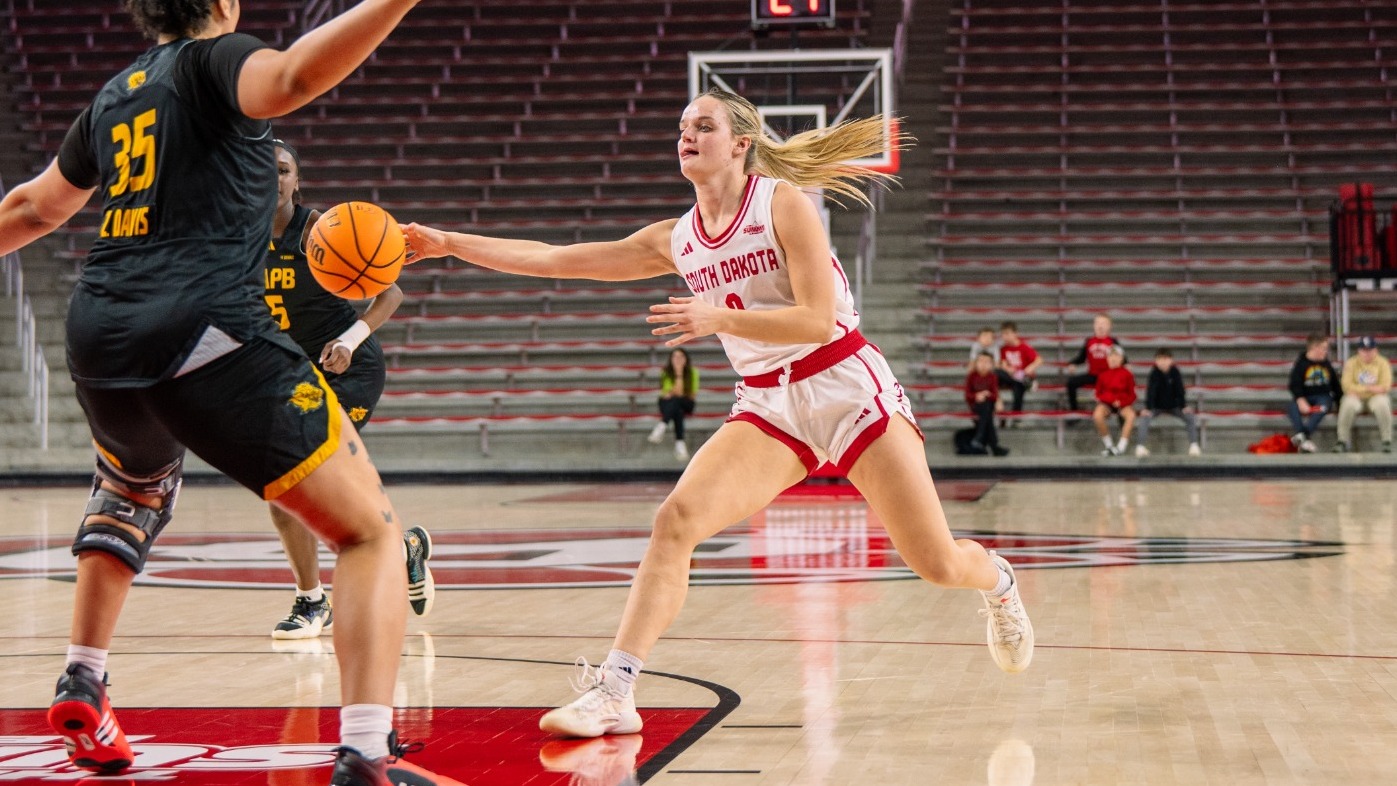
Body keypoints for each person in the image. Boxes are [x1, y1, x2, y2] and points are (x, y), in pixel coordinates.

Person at [403, 88, 1035, 740]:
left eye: (703, 125)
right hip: (768, 404)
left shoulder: (782, 204)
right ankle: (615, 692)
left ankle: (998, 581)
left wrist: (719, 318)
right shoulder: (676, 238)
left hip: (846, 386)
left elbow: (817, 321)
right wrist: (448, 242)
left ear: (739, 144)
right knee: (674, 521)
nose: (687, 134)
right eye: (683, 126)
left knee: (935, 563)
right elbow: (555, 258)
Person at [0, 1, 450, 782]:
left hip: (99, 331)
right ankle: (367, 754)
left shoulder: (114, 95)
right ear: (224, 4)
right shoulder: (213, 62)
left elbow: (32, 207)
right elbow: (295, 76)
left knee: (132, 491)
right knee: (369, 534)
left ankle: (83, 678)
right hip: (203, 325)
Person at [264, 139, 434, 639]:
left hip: (347, 368)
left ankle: (312, 602)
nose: (272, 178)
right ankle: (401, 549)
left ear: (297, 181)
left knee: (296, 477)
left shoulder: (318, 229)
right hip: (292, 376)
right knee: (289, 488)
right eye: (261, 168)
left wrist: (349, 338)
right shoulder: (234, 237)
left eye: (283, 170)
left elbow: (391, 292)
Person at [1134, 348, 1202, 457]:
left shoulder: (1175, 372)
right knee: (1144, 418)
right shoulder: (1154, 374)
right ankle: (1140, 446)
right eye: (1160, 359)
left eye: (1165, 359)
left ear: (1171, 360)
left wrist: (1183, 406)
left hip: (1174, 406)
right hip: (1157, 407)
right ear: (1156, 361)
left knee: (1190, 416)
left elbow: (1180, 390)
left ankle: (1194, 445)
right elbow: (1150, 392)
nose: (1163, 362)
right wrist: (1148, 408)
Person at [1334, 335, 1393, 453]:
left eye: (1370, 350)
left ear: (1376, 350)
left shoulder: (1383, 363)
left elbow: (1385, 387)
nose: (1367, 353)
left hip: (1375, 397)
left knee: (1382, 403)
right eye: (1364, 350)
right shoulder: (1351, 363)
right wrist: (1370, 388)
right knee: (1347, 403)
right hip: (1356, 398)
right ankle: (1342, 441)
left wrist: (1359, 389)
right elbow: (1346, 386)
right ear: (1359, 351)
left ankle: (1386, 440)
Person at [1286, 333, 1341, 453]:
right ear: (1315, 348)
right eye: (1324, 348)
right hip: (1305, 397)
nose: (1326, 352)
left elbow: (1336, 386)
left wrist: (1340, 404)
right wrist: (1301, 400)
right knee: (1292, 407)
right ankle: (1304, 438)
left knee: (1323, 405)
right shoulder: (1301, 364)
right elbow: (1294, 385)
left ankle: (1303, 435)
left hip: (1323, 397)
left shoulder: (1326, 364)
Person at [646, 346, 699, 461]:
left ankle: (662, 425)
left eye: (681, 356)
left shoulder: (693, 372)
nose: (678, 359)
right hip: (669, 404)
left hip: (686, 403)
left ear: (686, 359)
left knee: (676, 401)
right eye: (675, 357)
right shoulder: (666, 372)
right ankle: (680, 443)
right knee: (677, 409)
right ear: (671, 359)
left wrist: (679, 374)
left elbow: (687, 394)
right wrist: (677, 391)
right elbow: (667, 394)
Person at [1065, 314, 1123, 412]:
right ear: (1094, 325)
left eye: (1103, 323)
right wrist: (1072, 364)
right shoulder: (1089, 341)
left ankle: (1115, 410)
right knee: (1071, 382)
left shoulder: (1113, 341)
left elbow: (1122, 358)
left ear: (1109, 327)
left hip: (1108, 376)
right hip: (1093, 375)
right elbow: (1081, 358)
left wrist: (1126, 365)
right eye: (1098, 323)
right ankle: (1074, 410)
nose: (1100, 326)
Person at [1092, 346, 1137, 456]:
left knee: (1131, 416)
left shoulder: (1127, 374)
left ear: (1122, 358)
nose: (1113, 358)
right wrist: (1110, 401)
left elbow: (1132, 395)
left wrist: (1122, 402)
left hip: (1123, 403)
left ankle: (1121, 447)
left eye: (1116, 355)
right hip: (1107, 403)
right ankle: (1109, 445)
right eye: (1111, 355)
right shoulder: (1103, 374)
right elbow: (1098, 394)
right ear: (1107, 358)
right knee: (1097, 415)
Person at [965, 352, 1009, 456]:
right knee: (987, 412)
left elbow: (994, 395)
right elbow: (967, 395)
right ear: (976, 363)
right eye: (981, 361)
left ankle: (979, 438)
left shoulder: (992, 377)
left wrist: (986, 395)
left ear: (991, 365)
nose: (983, 364)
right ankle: (993, 445)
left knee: (987, 407)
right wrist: (977, 396)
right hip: (976, 405)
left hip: (988, 405)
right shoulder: (971, 376)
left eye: (987, 362)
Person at [996, 321, 1041, 415]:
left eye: (1007, 334)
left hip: (1021, 376)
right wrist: (1007, 368)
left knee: (1018, 387)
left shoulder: (1024, 347)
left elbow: (1039, 360)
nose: (1005, 337)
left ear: (1015, 334)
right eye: (1003, 334)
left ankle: (1016, 415)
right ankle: (998, 405)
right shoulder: (1003, 349)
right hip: (1010, 377)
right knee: (995, 373)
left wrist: (1029, 368)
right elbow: (1002, 364)